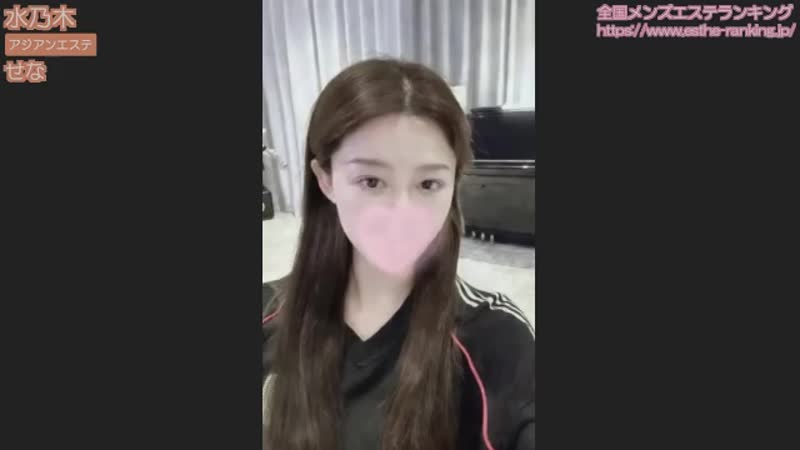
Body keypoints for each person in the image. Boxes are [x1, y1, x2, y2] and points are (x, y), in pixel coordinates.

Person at [262, 58, 534, 450]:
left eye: (428, 184)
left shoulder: (494, 338)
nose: (401, 215)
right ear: (326, 179)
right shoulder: (267, 315)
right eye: (371, 181)